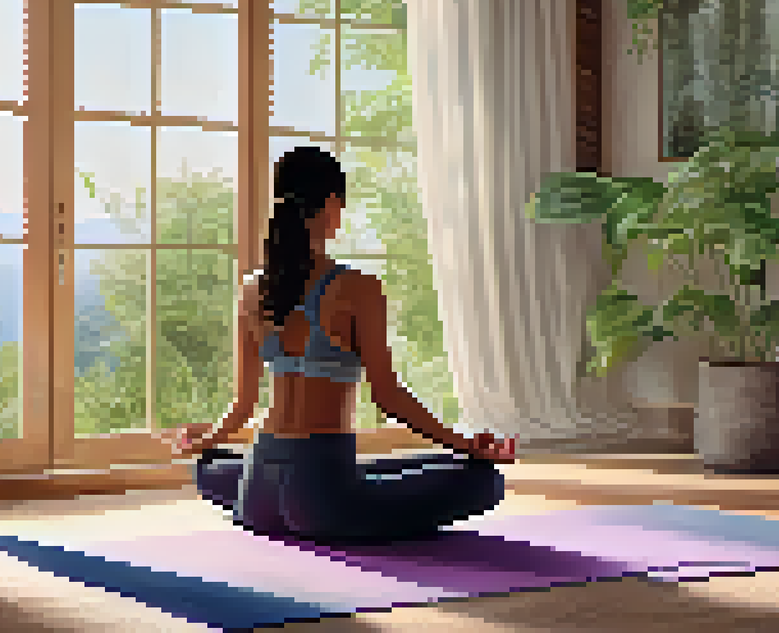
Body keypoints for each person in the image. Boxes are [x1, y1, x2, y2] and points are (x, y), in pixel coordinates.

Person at [156, 146, 515, 545]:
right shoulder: (357, 288)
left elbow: (242, 407)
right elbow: (389, 397)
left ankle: (269, 494)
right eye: (341, 206)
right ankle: (333, 500)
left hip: (258, 493)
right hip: (321, 499)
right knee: (482, 480)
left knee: (211, 465)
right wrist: (467, 445)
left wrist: (203, 441)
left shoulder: (252, 290)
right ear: (330, 204)